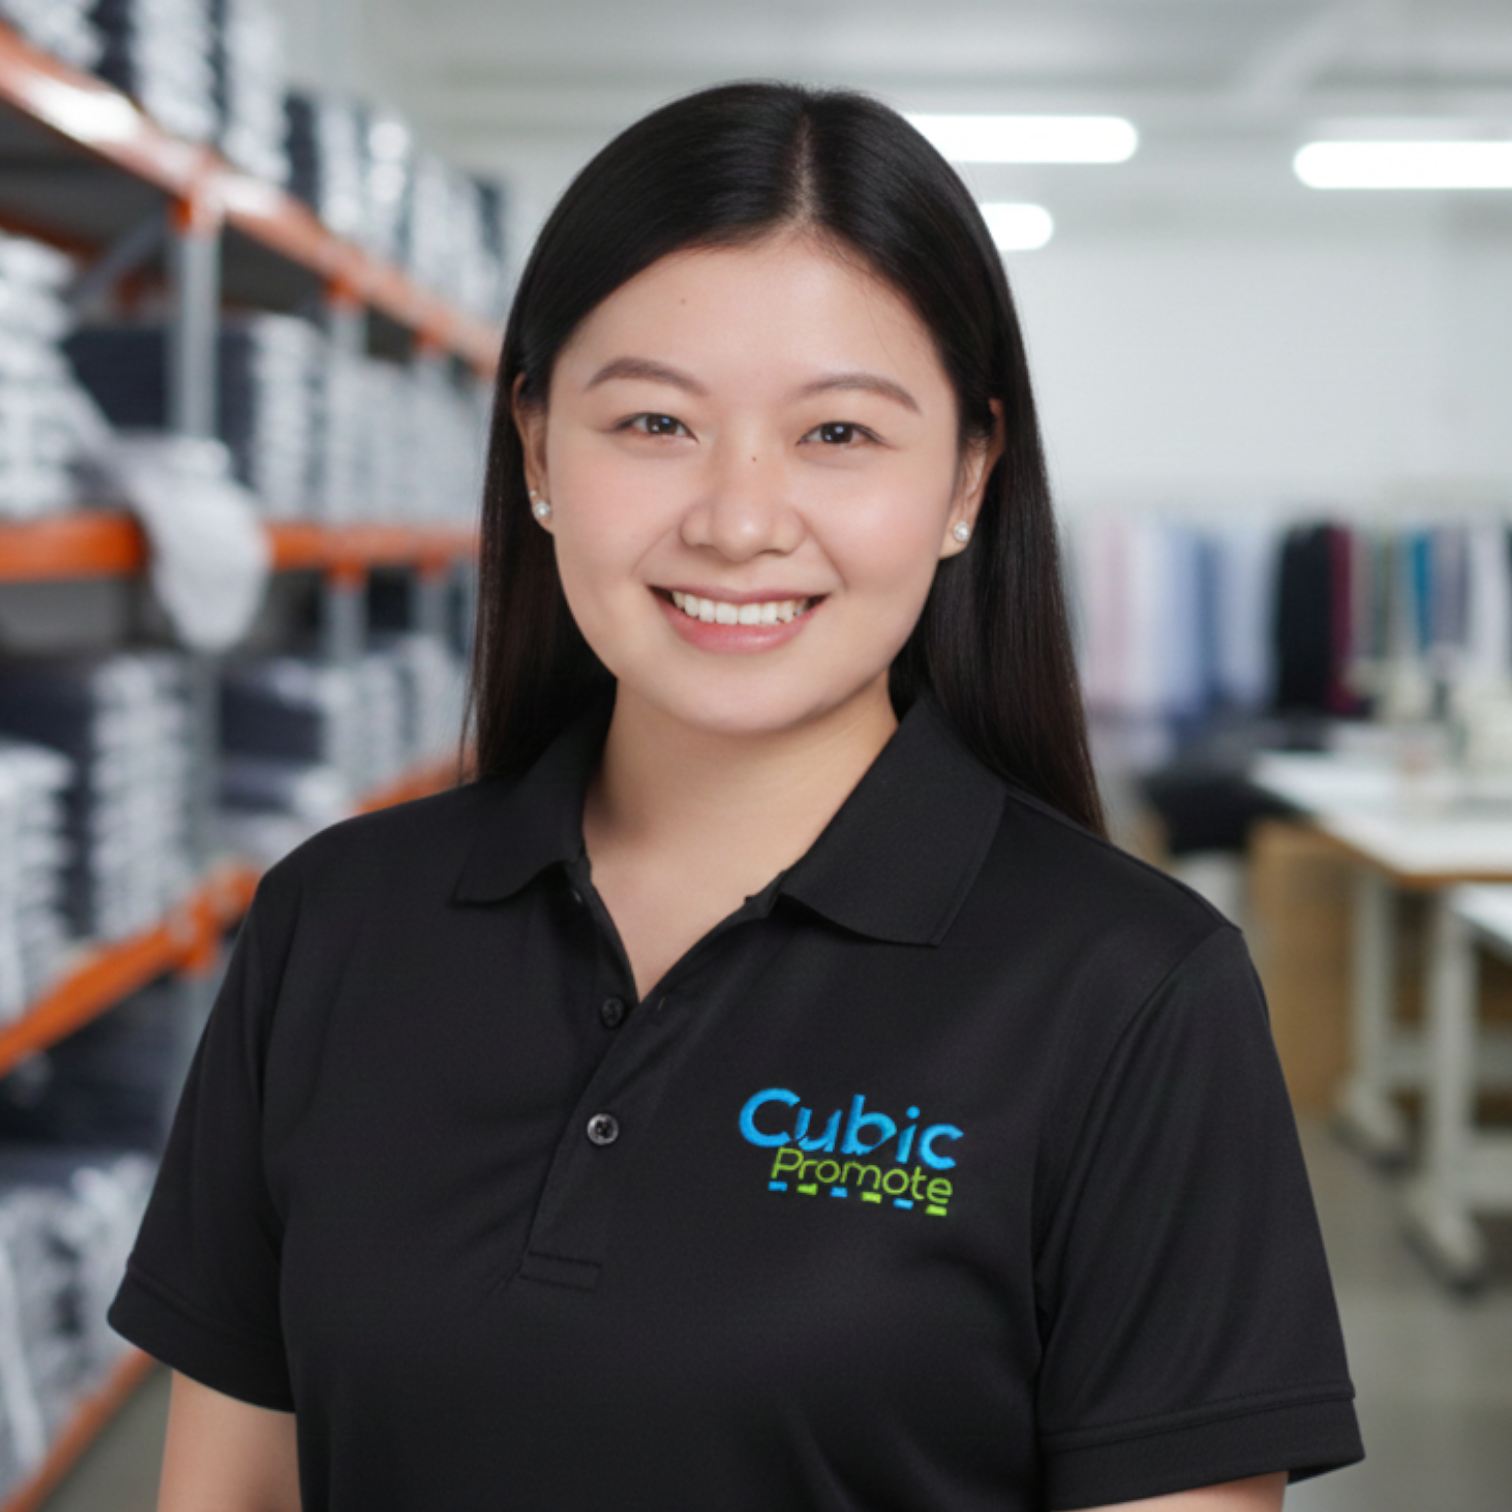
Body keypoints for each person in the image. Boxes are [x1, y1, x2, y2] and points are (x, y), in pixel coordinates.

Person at [110, 82, 1364, 1512]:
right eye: (654, 421)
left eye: (838, 435)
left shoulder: (1133, 991)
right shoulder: (332, 925)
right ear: (534, 450)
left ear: (969, 477)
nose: (739, 519)